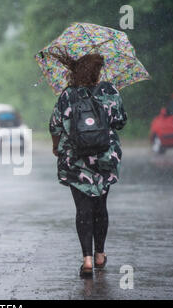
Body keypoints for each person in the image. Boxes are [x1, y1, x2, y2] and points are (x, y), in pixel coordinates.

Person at [49, 50, 127, 277]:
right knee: (101, 206)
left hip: (76, 160)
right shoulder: (110, 91)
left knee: (83, 209)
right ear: (98, 71)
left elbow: (55, 125)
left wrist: (56, 147)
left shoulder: (68, 95)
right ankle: (101, 254)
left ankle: (87, 260)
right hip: (105, 158)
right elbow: (121, 121)